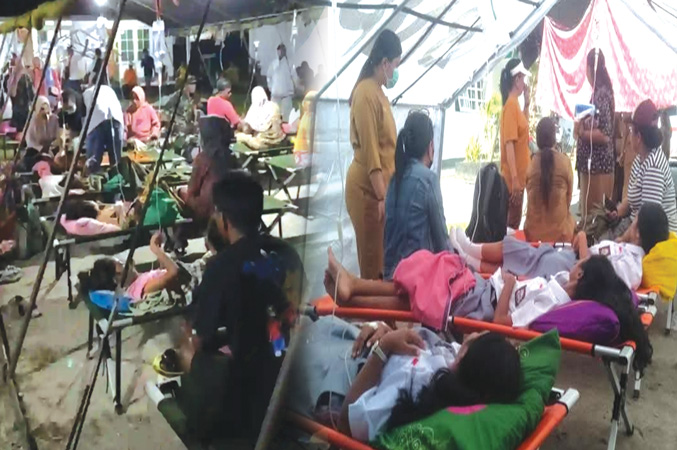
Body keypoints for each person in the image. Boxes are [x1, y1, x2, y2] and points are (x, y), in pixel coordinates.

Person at [324, 248, 652, 375]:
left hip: (480, 303)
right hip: (481, 291)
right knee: (420, 285)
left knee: (423, 285)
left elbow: (502, 324)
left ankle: (353, 291)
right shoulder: (560, 286)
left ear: (580, 275)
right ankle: (352, 290)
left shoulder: (552, 300)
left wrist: (508, 284)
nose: (575, 263)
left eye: (579, 264)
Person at [174, 171, 299, 442]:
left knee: (187, 348)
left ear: (224, 220)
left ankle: (201, 430)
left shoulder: (220, 268)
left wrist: (188, 340)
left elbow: (201, 337)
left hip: (244, 396)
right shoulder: (287, 253)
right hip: (289, 376)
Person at [291, 317, 521, 442]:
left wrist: (384, 347)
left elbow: (346, 426)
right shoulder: (450, 365)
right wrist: (383, 329)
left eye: (480, 339)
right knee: (310, 322)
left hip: (338, 367)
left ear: (465, 356)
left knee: (297, 332)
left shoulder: (418, 385)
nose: (475, 334)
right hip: (357, 344)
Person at [449, 202, 670, 291]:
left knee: (521, 254)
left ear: (639, 233)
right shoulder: (629, 254)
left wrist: (582, 240)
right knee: (523, 256)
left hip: (571, 271)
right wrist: (620, 241)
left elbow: (595, 276)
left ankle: (468, 254)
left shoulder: (632, 267)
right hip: (570, 261)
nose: (630, 224)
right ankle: (469, 253)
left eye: (634, 222)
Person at [346, 30, 401, 280]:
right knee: (372, 270)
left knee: (381, 265)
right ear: (385, 63)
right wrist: (382, 197)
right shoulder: (365, 94)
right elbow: (372, 156)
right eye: (396, 65)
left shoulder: (379, 92)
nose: (396, 72)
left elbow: (387, 148)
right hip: (367, 193)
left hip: (379, 192)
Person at [383, 110, 450, 280]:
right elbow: (442, 243)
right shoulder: (428, 179)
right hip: (417, 280)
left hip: (391, 275)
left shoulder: (394, 180)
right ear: (430, 146)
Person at [605, 99, 677, 237]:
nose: (629, 137)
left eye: (631, 131)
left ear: (638, 137)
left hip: (658, 237)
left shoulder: (654, 166)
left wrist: (622, 239)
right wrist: (617, 212)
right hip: (637, 225)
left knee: (606, 245)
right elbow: (632, 199)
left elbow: (647, 221)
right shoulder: (640, 159)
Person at [77, 232, 179, 302]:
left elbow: (163, 274)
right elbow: (174, 272)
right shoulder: (143, 288)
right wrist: (154, 249)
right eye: (120, 264)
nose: (125, 262)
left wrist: (160, 253)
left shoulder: (138, 281)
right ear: (117, 278)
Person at [575, 49, 615, 221]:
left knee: (594, 220)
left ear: (591, 68)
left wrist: (582, 132)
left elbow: (605, 134)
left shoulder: (601, 95)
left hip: (597, 168)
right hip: (595, 167)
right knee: (592, 217)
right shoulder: (600, 93)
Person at [524, 117, 575, 242]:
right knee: (572, 221)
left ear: (537, 140)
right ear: (554, 138)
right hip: (561, 236)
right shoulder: (565, 162)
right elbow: (568, 200)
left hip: (532, 235)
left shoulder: (530, 164)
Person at [178, 115, 236, 224]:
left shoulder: (203, 158)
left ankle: (184, 231)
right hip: (230, 207)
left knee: (180, 192)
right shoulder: (232, 156)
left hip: (207, 209)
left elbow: (191, 190)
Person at [499, 58, 531, 230]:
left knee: (513, 224)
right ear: (517, 79)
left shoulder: (515, 105)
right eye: (523, 78)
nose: (524, 83)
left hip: (518, 178)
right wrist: (515, 179)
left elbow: (523, 132)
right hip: (513, 182)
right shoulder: (511, 106)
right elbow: (509, 144)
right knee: (511, 226)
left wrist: (527, 104)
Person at [82, 80, 124, 173]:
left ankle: (92, 177)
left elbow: (82, 115)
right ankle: (117, 176)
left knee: (93, 159)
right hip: (116, 120)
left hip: (97, 122)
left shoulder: (87, 92)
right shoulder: (110, 90)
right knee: (116, 160)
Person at [267, 44, 295, 122]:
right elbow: (269, 77)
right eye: (279, 51)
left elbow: (294, 77)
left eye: (282, 50)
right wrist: (270, 88)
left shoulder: (289, 64)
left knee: (286, 116)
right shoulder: (273, 64)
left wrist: (293, 89)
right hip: (275, 94)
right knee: (274, 115)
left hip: (286, 95)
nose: (281, 52)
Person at [8, 59, 34, 132]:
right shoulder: (11, 78)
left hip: (26, 109)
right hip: (17, 110)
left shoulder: (26, 77)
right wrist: (15, 78)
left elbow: (32, 94)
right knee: (20, 131)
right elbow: (13, 94)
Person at [292, 90, 316, 167]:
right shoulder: (310, 118)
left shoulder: (305, 116)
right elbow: (309, 141)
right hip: (305, 155)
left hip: (299, 155)